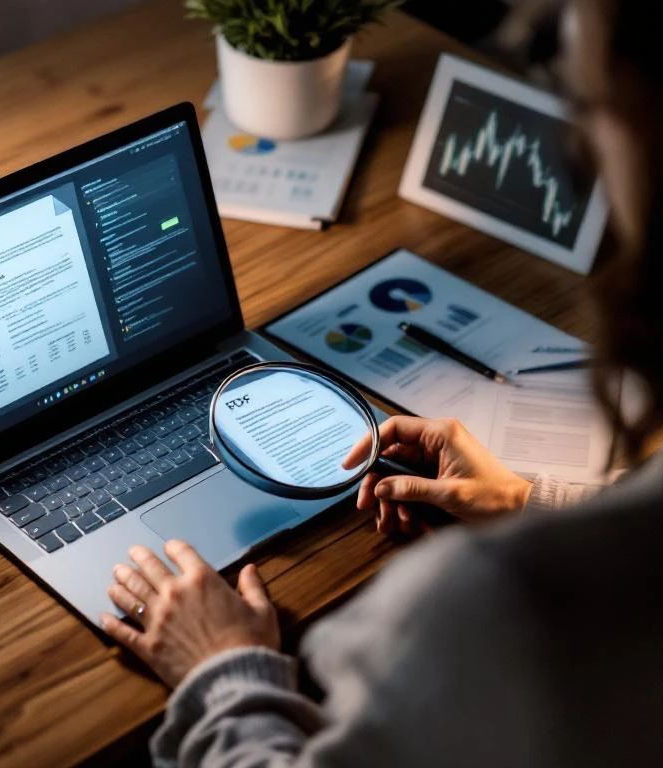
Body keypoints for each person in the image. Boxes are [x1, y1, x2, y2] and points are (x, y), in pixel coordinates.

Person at [100, 0, 663, 765]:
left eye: (585, 97)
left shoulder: (482, 612)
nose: (576, 139)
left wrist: (221, 669)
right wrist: (527, 503)